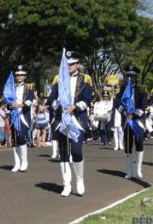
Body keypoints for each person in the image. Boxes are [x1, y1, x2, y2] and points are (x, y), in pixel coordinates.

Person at [46, 51, 93, 197]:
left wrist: (76, 106)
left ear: (78, 64)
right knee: (64, 153)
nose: (69, 66)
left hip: (77, 120)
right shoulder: (58, 79)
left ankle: (79, 179)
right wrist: (56, 104)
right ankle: (66, 184)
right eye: (67, 64)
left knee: (77, 152)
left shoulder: (85, 79)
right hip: (62, 120)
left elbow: (87, 99)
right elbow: (51, 98)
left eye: (72, 64)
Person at [118, 65, 148, 179]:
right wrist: (124, 112)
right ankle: (129, 171)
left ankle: (138, 169)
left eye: (132, 76)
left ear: (136, 77)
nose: (130, 78)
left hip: (137, 120)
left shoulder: (141, 89)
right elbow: (118, 101)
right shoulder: (123, 88)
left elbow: (144, 104)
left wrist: (134, 114)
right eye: (128, 76)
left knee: (139, 143)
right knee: (128, 145)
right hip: (127, 120)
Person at [5, 65, 34, 172]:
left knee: (21, 137)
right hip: (14, 115)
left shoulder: (29, 87)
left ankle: (24, 161)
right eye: (17, 75)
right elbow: (7, 102)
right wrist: (10, 105)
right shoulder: (12, 88)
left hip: (24, 116)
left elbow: (30, 101)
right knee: (15, 139)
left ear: (25, 76)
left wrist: (20, 105)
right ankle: (17, 163)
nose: (19, 77)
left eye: (22, 75)